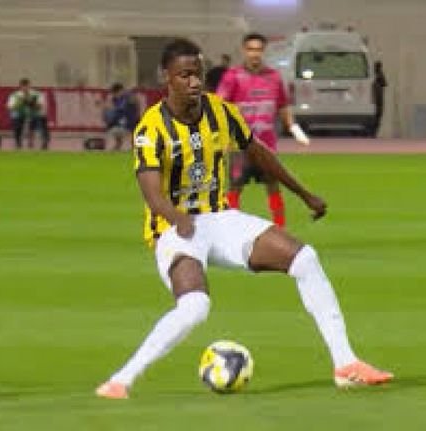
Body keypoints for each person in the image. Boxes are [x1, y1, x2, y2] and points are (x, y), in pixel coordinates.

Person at [95, 38, 393, 400]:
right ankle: (121, 380)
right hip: (173, 229)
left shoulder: (221, 112)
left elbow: (258, 152)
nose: (194, 82)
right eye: (185, 75)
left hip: (220, 218)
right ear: (166, 77)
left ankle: (345, 365)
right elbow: (152, 193)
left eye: (198, 74)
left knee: (305, 258)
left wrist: (304, 193)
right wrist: (177, 218)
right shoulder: (151, 128)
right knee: (195, 307)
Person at [216, 33, 310, 228]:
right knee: (235, 186)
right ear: (244, 51)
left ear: (263, 51)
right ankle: (230, 230)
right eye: (251, 49)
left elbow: (283, 106)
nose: (255, 54)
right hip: (240, 146)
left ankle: (280, 228)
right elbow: (219, 107)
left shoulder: (274, 77)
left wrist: (294, 129)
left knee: (273, 185)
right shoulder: (233, 77)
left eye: (258, 49)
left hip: (267, 145)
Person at [6, 78, 50, 150]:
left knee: (41, 120)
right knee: (16, 120)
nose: (25, 88)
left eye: (27, 86)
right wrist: (20, 103)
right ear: (20, 86)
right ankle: (18, 141)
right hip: (20, 113)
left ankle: (45, 141)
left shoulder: (37, 94)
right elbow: (10, 107)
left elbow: (40, 105)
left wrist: (31, 103)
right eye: (23, 86)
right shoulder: (15, 95)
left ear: (29, 86)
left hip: (35, 113)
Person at [102, 82, 140, 150]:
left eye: (115, 93)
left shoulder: (128, 98)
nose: (114, 95)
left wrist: (109, 108)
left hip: (130, 124)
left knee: (115, 133)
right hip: (124, 124)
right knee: (114, 133)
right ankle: (117, 147)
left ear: (120, 91)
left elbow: (122, 109)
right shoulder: (117, 99)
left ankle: (129, 148)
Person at [371, 61, 387, 137]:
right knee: (376, 117)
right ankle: (373, 133)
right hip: (377, 100)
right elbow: (385, 84)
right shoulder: (375, 75)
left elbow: (385, 83)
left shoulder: (380, 75)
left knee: (378, 117)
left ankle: (374, 133)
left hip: (378, 99)